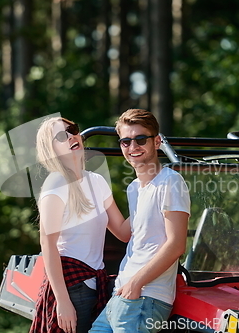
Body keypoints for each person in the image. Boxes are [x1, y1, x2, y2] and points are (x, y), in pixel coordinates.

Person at [90, 109, 191, 333]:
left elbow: (176, 245)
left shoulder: (170, 182)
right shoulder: (134, 188)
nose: (133, 146)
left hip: (146, 296)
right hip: (121, 294)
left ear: (156, 142)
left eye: (140, 139)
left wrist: (136, 284)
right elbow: (127, 233)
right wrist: (92, 196)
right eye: (125, 141)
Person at [29, 117, 131, 333]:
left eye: (72, 129)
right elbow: (48, 244)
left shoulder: (97, 181)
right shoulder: (56, 182)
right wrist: (62, 301)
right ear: (51, 149)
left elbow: (123, 232)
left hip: (97, 283)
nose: (70, 136)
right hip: (71, 285)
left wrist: (148, 196)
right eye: (60, 136)